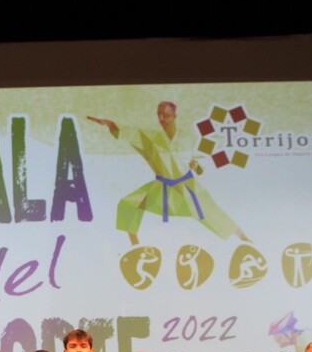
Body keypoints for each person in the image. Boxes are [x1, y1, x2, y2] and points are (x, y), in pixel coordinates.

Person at [88, 102, 249, 246]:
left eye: (166, 115)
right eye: (159, 114)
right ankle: (135, 246)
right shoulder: (150, 137)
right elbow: (130, 132)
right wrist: (111, 125)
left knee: (212, 211)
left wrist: (196, 166)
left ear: (174, 116)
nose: (161, 118)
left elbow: (201, 164)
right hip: (161, 187)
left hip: (187, 186)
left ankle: (244, 239)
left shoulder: (188, 137)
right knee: (128, 204)